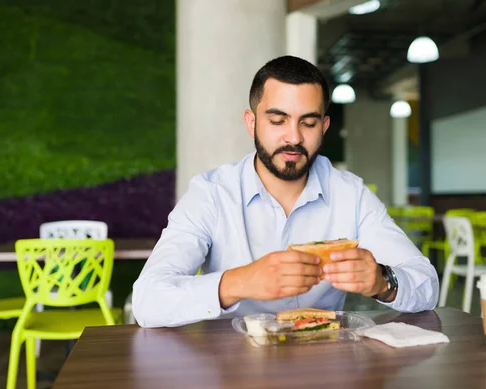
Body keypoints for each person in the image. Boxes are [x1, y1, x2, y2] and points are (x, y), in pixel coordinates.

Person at [132, 55, 439, 328]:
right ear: (251, 123)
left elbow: (427, 284)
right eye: (278, 121)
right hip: (233, 371)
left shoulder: (351, 194)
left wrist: (383, 281)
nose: (293, 137)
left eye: (308, 123)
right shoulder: (211, 194)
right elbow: (147, 301)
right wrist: (239, 282)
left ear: (324, 127)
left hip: (324, 366)